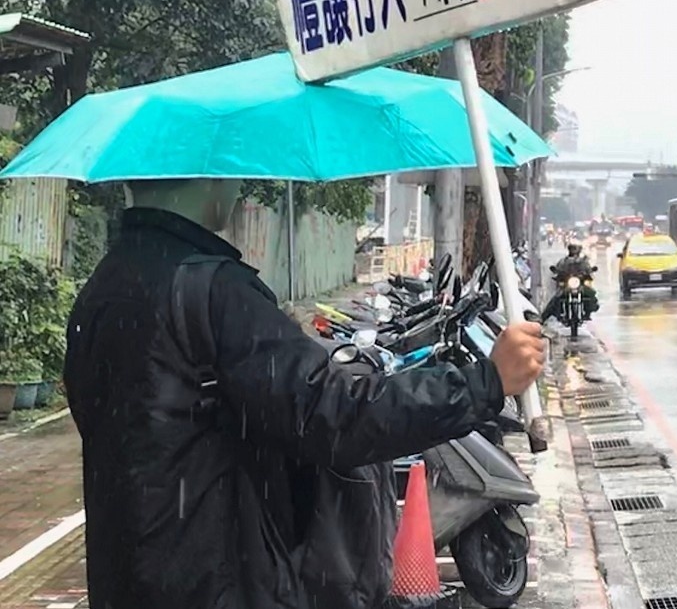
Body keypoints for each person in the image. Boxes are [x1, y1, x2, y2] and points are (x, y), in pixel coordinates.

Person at [64, 178, 546, 609]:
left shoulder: (102, 289)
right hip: (218, 580)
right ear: (205, 177)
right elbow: (335, 416)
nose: (240, 183)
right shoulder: (214, 292)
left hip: (125, 574)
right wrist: (485, 382)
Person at [544, 242, 599, 320]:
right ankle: (543, 318)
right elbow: (558, 270)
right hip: (567, 286)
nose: (573, 251)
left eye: (575, 249)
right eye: (572, 249)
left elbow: (589, 271)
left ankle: (588, 312)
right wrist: (557, 274)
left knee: (591, 294)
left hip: (580, 285)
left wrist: (588, 273)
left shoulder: (583, 261)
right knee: (556, 298)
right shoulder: (563, 261)